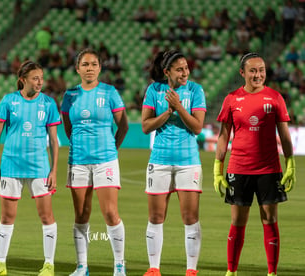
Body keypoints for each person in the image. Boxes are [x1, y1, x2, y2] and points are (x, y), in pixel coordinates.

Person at [213, 53, 296, 276]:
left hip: (269, 169)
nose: (258, 74)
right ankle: (231, 271)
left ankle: (272, 272)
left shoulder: (275, 97)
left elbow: (285, 135)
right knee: (238, 221)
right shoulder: (231, 99)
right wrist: (217, 169)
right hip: (238, 169)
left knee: (270, 219)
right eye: (252, 70)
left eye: (261, 70)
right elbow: (223, 136)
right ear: (242, 73)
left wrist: (290, 164)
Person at [0, 61, 61, 276]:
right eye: (35, 78)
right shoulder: (9, 101)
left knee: (46, 216)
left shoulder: (49, 103)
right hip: (10, 165)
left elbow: (54, 141)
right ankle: (0, 264)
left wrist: (53, 171)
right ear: (23, 79)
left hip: (39, 167)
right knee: (7, 217)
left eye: (41, 78)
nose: (40, 82)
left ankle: (48, 265)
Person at [61, 48, 129, 276]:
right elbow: (68, 127)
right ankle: (82, 267)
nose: (89, 68)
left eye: (93, 64)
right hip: (78, 161)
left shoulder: (110, 92)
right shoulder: (70, 95)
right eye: (85, 64)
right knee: (81, 214)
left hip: (105, 161)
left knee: (110, 212)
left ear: (100, 68)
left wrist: (112, 149)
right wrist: (80, 145)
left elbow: (123, 126)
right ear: (77, 68)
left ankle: (119, 266)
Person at [141, 50, 206, 276]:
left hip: (188, 162)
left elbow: (197, 127)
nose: (185, 73)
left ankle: (191, 270)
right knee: (156, 217)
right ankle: (154, 268)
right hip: (159, 160)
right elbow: (146, 126)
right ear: (167, 72)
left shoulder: (195, 91)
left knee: (190, 218)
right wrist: (167, 113)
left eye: (186, 68)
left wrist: (179, 107)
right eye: (179, 69)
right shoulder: (154, 90)